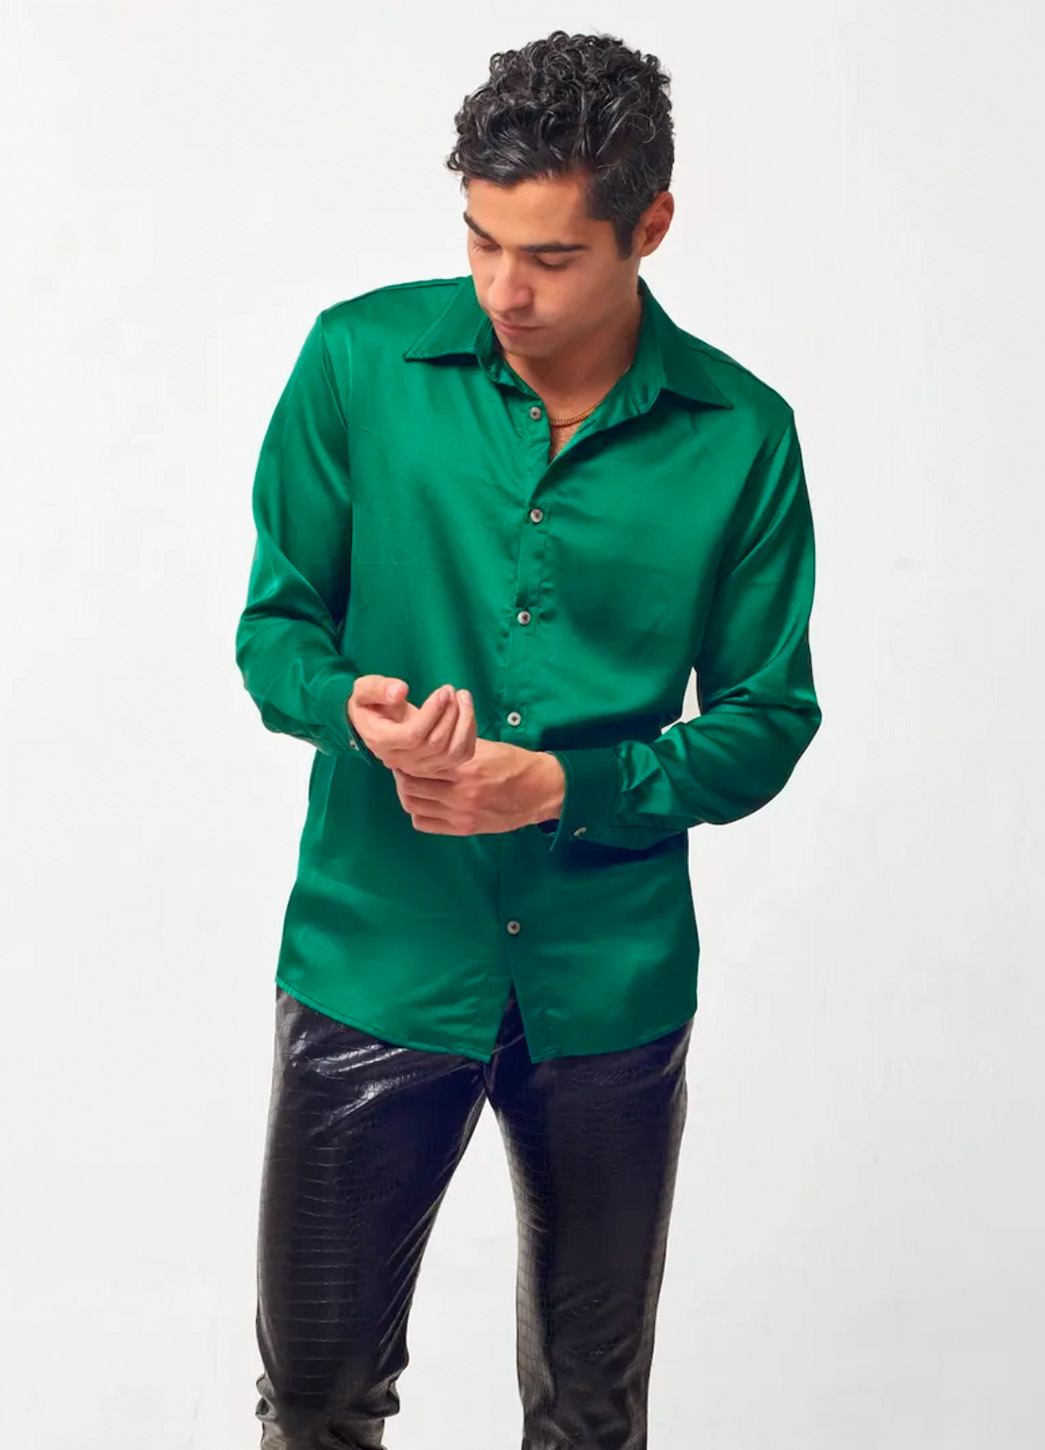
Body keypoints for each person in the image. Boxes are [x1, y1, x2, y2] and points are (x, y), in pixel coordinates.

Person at [234, 27, 822, 1450]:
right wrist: (350, 708)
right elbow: (276, 629)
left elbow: (766, 718)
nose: (505, 289)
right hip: (377, 954)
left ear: (649, 228)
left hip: (606, 982)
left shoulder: (743, 435)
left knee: (590, 1413)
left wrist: (564, 785)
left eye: (551, 256)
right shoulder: (358, 360)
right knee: (314, 1396)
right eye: (482, 241)